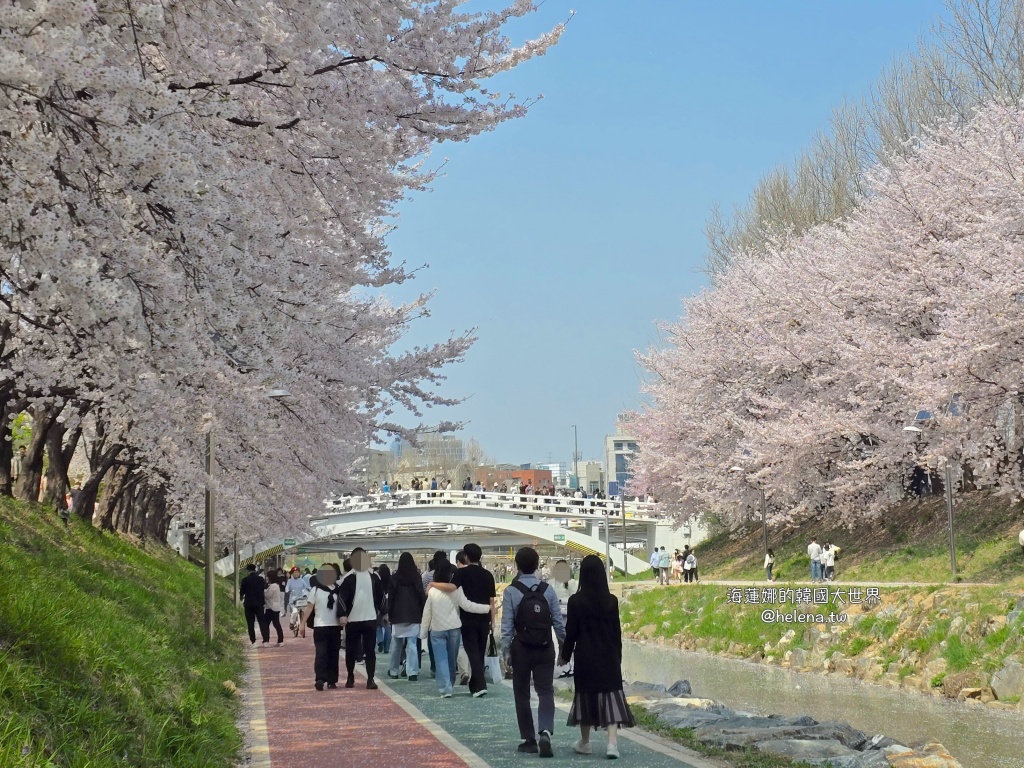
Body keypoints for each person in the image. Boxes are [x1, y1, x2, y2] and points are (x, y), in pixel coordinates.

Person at [559, 555, 635, 759]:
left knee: (585, 695)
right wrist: (618, 656)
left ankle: (585, 743)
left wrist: (564, 657)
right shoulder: (611, 601)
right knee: (611, 695)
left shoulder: (576, 601)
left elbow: (571, 632)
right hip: (608, 655)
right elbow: (616, 632)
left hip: (586, 656)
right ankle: (612, 744)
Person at [502, 546, 564, 757]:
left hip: (521, 649)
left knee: (522, 694)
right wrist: (564, 647)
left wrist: (506, 653)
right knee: (545, 691)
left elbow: (507, 627)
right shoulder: (548, 590)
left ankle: (529, 740)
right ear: (538, 565)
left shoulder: (511, 591)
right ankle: (545, 730)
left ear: (517, 566)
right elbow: (558, 622)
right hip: (545, 647)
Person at [432, 543, 495, 697]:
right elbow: (491, 600)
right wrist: (493, 622)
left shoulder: (461, 573)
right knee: (479, 652)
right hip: (484, 618)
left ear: (466, 557)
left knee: (471, 651)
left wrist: (433, 585)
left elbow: (451, 588)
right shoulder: (488, 575)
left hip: (467, 619)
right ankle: (476, 685)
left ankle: (480, 685)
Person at [419, 561, 490, 697]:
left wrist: (423, 633)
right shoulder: (457, 590)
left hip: (437, 630)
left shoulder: (432, 591)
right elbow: (467, 606)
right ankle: (450, 682)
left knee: (441, 660)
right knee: (452, 659)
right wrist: (486, 608)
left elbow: (427, 613)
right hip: (454, 629)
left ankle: (445, 688)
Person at [339, 547, 386, 689]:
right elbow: (342, 599)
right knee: (351, 650)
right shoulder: (348, 578)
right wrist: (342, 615)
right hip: (352, 619)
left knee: (370, 650)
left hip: (370, 618)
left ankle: (370, 679)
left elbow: (381, 596)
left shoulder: (374, 576)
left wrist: (384, 613)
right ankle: (350, 676)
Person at [387, 552, 426, 681]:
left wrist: (390, 614)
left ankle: (393, 671)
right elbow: (421, 595)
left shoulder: (394, 578)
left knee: (396, 644)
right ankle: (412, 672)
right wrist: (422, 612)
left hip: (397, 615)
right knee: (412, 644)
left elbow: (391, 598)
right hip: (413, 614)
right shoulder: (416, 577)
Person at [305, 564, 344, 690]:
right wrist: (301, 624)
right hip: (320, 626)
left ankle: (332, 680)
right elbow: (309, 607)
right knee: (321, 653)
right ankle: (320, 679)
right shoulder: (315, 590)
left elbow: (344, 607)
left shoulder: (338, 590)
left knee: (333, 653)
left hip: (335, 626)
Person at [549, 560, 577, 678]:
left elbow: (574, 598)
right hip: (557, 616)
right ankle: (564, 665)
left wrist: (561, 602)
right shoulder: (551, 583)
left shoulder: (572, 583)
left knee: (570, 640)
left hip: (569, 615)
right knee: (561, 641)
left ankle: (572, 666)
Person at [240, 564, 269, 645]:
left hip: (248, 604)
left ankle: (252, 639)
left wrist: (241, 599)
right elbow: (264, 588)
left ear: (247, 570)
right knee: (262, 621)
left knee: (250, 622)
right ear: (255, 569)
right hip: (259, 603)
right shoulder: (260, 579)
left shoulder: (245, 580)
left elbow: (242, 592)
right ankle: (265, 639)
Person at [264, 572, 285, 645]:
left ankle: (266, 641)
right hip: (276, 608)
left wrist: (264, 592)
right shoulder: (276, 585)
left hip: (271, 607)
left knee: (266, 624)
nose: (266, 578)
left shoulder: (272, 586)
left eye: (267, 577)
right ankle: (280, 641)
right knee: (277, 624)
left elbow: (268, 595)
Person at [376, 563, 392, 653]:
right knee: (387, 626)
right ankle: (387, 648)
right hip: (389, 603)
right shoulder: (391, 581)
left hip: (380, 604)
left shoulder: (378, 581)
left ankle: (380, 641)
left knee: (378, 626)